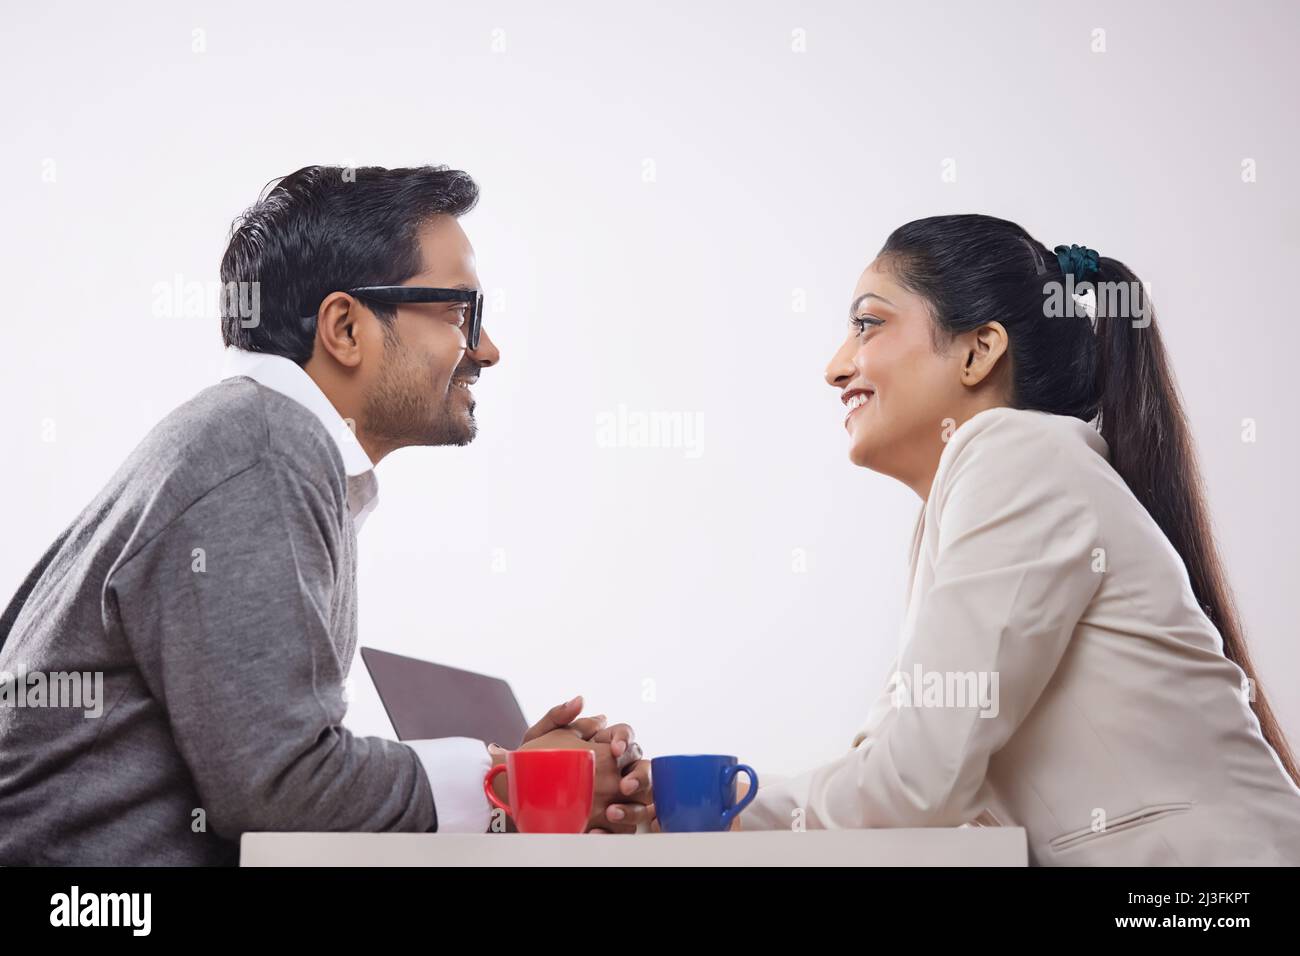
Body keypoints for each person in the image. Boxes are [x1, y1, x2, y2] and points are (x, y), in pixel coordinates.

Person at [0, 165, 649, 865]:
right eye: (463, 315)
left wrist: (510, 781)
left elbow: (273, 775)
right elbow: (281, 789)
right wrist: (506, 785)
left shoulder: (258, 438)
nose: (488, 350)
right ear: (344, 326)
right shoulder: (264, 446)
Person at [730, 214, 1300, 864]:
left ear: (979, 351)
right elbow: (895, 778)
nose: (836, 368)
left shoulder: (1019, 456)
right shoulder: (978, 499)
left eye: (868, 324)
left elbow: (914, 787)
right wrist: (662, 799)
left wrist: (694, 806)